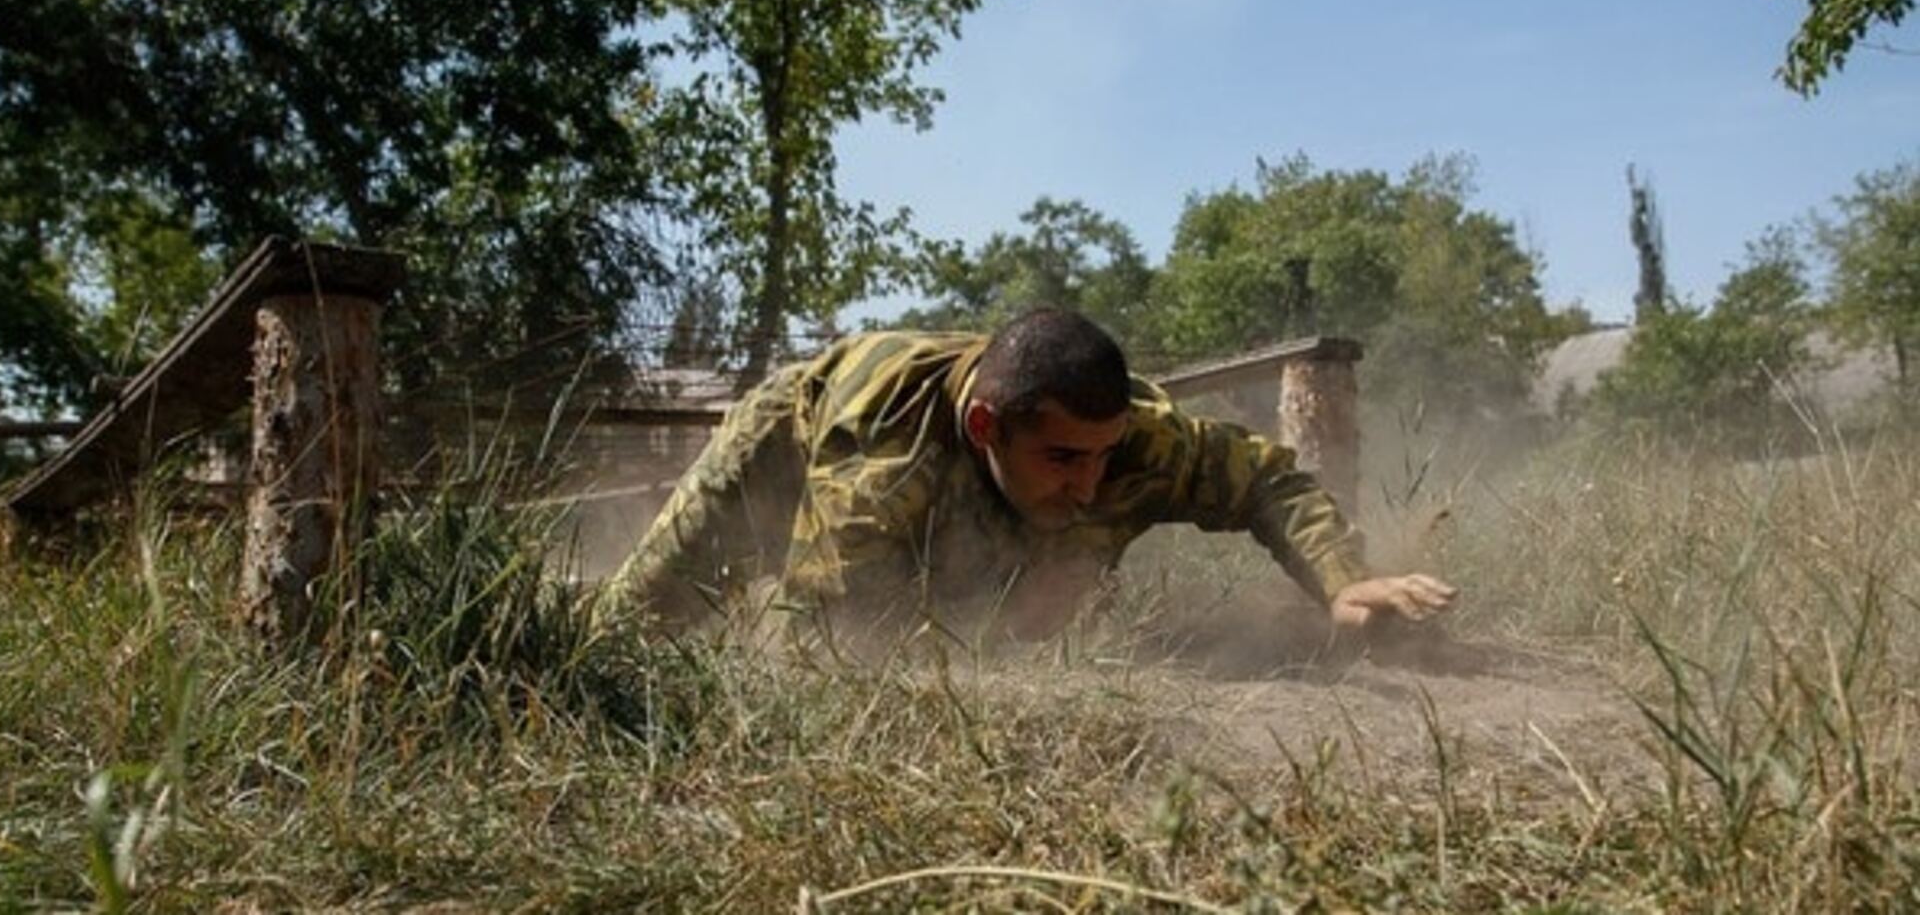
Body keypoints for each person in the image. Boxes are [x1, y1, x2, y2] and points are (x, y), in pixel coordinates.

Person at [604, 308, 1454, 655]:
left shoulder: (1138, 442)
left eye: (1103, 455)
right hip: (796, 433)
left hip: (971, 488)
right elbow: (824, 644)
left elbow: (1271, 481)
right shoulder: (882, 464)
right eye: (1063, 460)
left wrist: (1344, 582)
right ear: (986, 429)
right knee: (631, 622)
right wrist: (988, 640)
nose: (1091, 484)